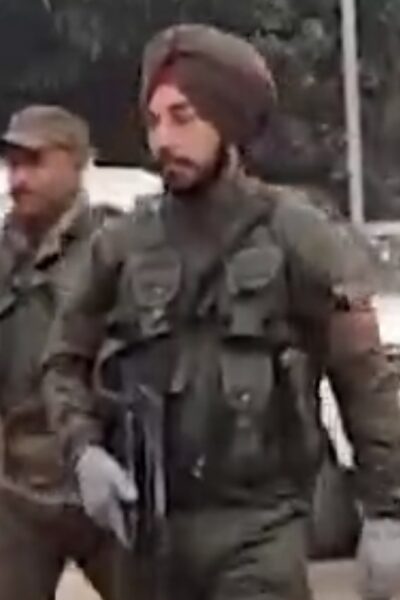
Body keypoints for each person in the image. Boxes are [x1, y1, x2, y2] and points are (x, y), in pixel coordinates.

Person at [42, 26, 400, 600]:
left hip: (260, 528)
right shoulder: (122, 245)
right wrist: (83, 451)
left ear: (227, 120)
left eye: (182, 117)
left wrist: (386, 513)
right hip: (149, 530)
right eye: (154, 121)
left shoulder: (296, 233)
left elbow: (365, 379)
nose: (163, 139)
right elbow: (63, 360)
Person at [0, 105, 134, 600]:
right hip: (20, 489)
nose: (18, 179)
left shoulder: (119, 248)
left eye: (35, 162)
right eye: (12, 164)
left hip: (109, 477)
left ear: (77, 163)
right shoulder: (5, 256)